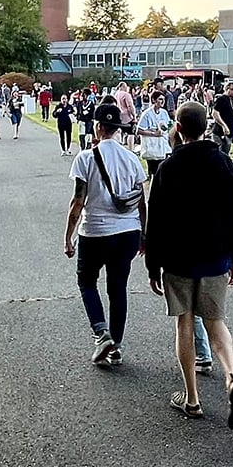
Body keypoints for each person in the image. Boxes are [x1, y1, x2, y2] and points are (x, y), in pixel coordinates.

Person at [145, 101, 233, 427]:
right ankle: (231, 377)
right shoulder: (223, 164)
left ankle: (192, 398)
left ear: (178, 126)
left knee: (185, 324)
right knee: (216, 322)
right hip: (216, 255)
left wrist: (152, 265)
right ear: (206, 125)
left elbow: (157, 222)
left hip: (178, 259)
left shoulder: (167, 168)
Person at [64, 103, 147, 366]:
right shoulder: (132, 158)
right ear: (118, 129)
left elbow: (78, 201)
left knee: (87, 282)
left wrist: (68, 236)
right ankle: (116, 347)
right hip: (128, 232)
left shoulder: (85, 158)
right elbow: (142, 201)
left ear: (98, 127)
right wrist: (144, 233)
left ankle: (101, 333)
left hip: (95, 231)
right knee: (118, 288)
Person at [136, 90, 172, 177]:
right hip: (152, 146)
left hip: (163, 145)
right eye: (160, 99)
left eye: (163, 99)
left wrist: (167, 127)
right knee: (154, 169)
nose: (162, 102)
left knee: (163, 167)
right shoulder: (147, 114)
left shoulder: (164, 113)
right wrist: (153, 133)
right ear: (154, 100)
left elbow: (168, 125)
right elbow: (139, 130)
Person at [211, 83, 233, 154]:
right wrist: (224, 126)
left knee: (226, 154)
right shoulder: (222, 99)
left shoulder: (232, 100)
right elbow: (215, 113)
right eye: (232, 89)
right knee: (220, 155)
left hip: (229, 133)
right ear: (227, 89)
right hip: (220, 133)